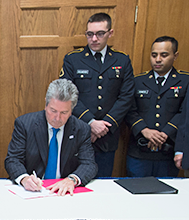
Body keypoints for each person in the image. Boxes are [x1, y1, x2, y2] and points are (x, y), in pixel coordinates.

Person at [59, 12, 134, 177]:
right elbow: (66, 93)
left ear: (110, 33)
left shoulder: (122, 61)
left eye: (100, 34)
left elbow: (126, 97)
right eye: (90, 34)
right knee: (73, 183)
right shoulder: (73, 59)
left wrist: (104, 125)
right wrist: (91, 122)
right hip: (77, 131)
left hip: (107, 136)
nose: (94, 39)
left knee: (102, 184)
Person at [5, 79, 97, 196]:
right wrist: (24, 179)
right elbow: (13, 160)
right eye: (53, 111)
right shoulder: (25, 124)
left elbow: (89, 164)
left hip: (63, 192)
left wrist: (72, 180)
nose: (57, 118)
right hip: (33, 192)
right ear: (46, 104)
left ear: (71, 111)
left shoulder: (81, 129)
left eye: (64, 113)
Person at [126, 36, 189, 177]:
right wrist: (145, 130)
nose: (158, 59)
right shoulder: (138, 81)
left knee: (165, 195)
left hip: (168, 151)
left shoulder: (185, 81)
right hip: (139, 151)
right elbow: (129, 110)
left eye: (164, 55)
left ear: (175, 55)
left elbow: (185, 112)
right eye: (154, 55)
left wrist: (165, 133)